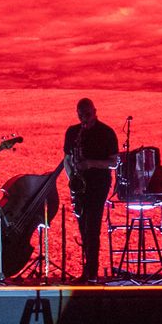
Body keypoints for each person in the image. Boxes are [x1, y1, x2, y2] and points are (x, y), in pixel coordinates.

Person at [62, 98, 120, 283]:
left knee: (92, 227)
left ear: (95, 111)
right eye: (80, 115)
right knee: (83, 227)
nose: (83, 119)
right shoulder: (73, 132)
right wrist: (73, 179)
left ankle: (92, 274)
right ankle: (88, 271)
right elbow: (67, 159)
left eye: (86, 114)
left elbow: (113, 162)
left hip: (98, 184)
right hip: (80, 185)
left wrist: (90, 163)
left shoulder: (106, 132)